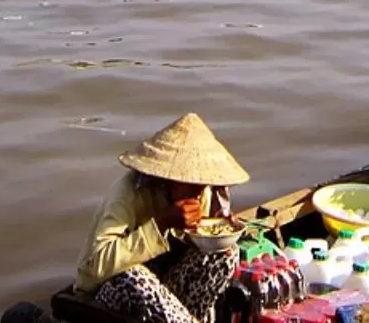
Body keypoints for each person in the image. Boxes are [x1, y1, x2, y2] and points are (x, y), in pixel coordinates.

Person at [74, 113, 248, 323]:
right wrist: (162, 224)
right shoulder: (127, 193)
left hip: (165, 292)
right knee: (134, 276)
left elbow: (196, 249)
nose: (200, 191)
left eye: (203, 184)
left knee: (225, 254)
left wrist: (217, 229)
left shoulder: (204, 192)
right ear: (168, 179)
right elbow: (95, 268)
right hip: (111, 294)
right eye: (191, 183)